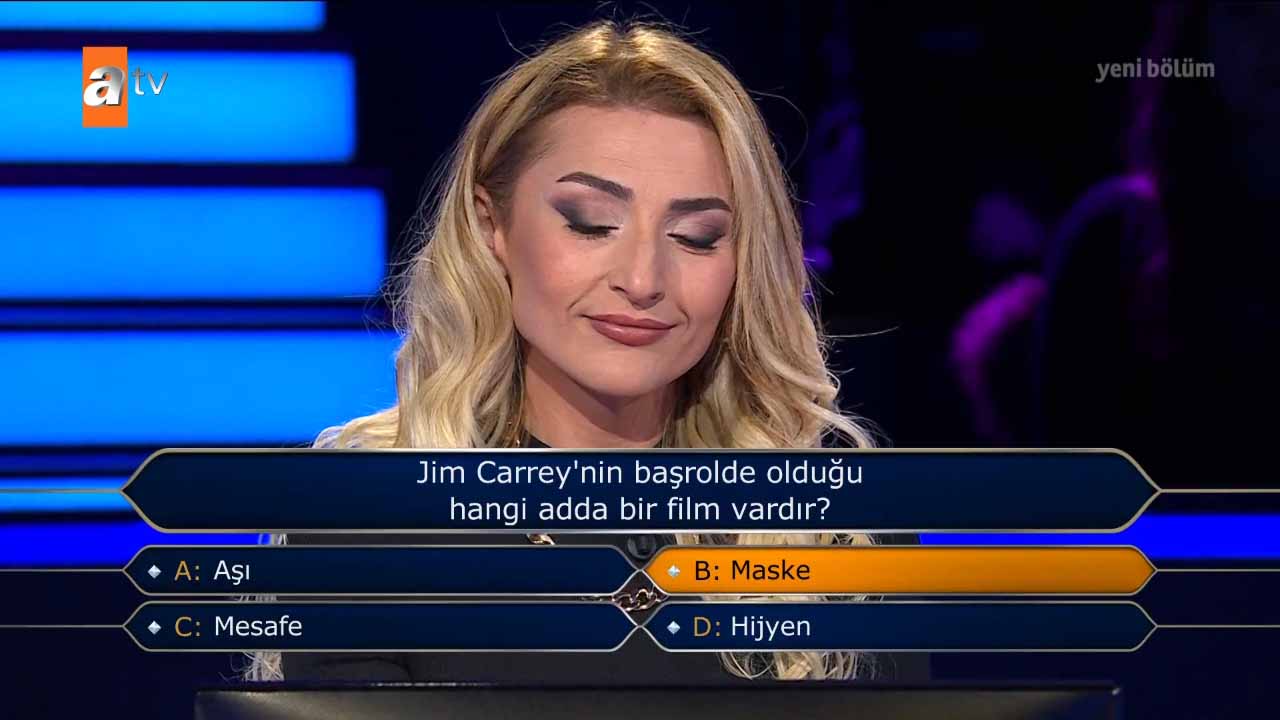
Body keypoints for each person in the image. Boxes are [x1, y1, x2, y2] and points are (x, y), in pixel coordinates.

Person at [244, 18, 927, 684]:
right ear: (491, 227)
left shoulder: (844, 532)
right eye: (591, 223)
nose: (643, 280)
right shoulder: (365, 527)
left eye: (695, 236)